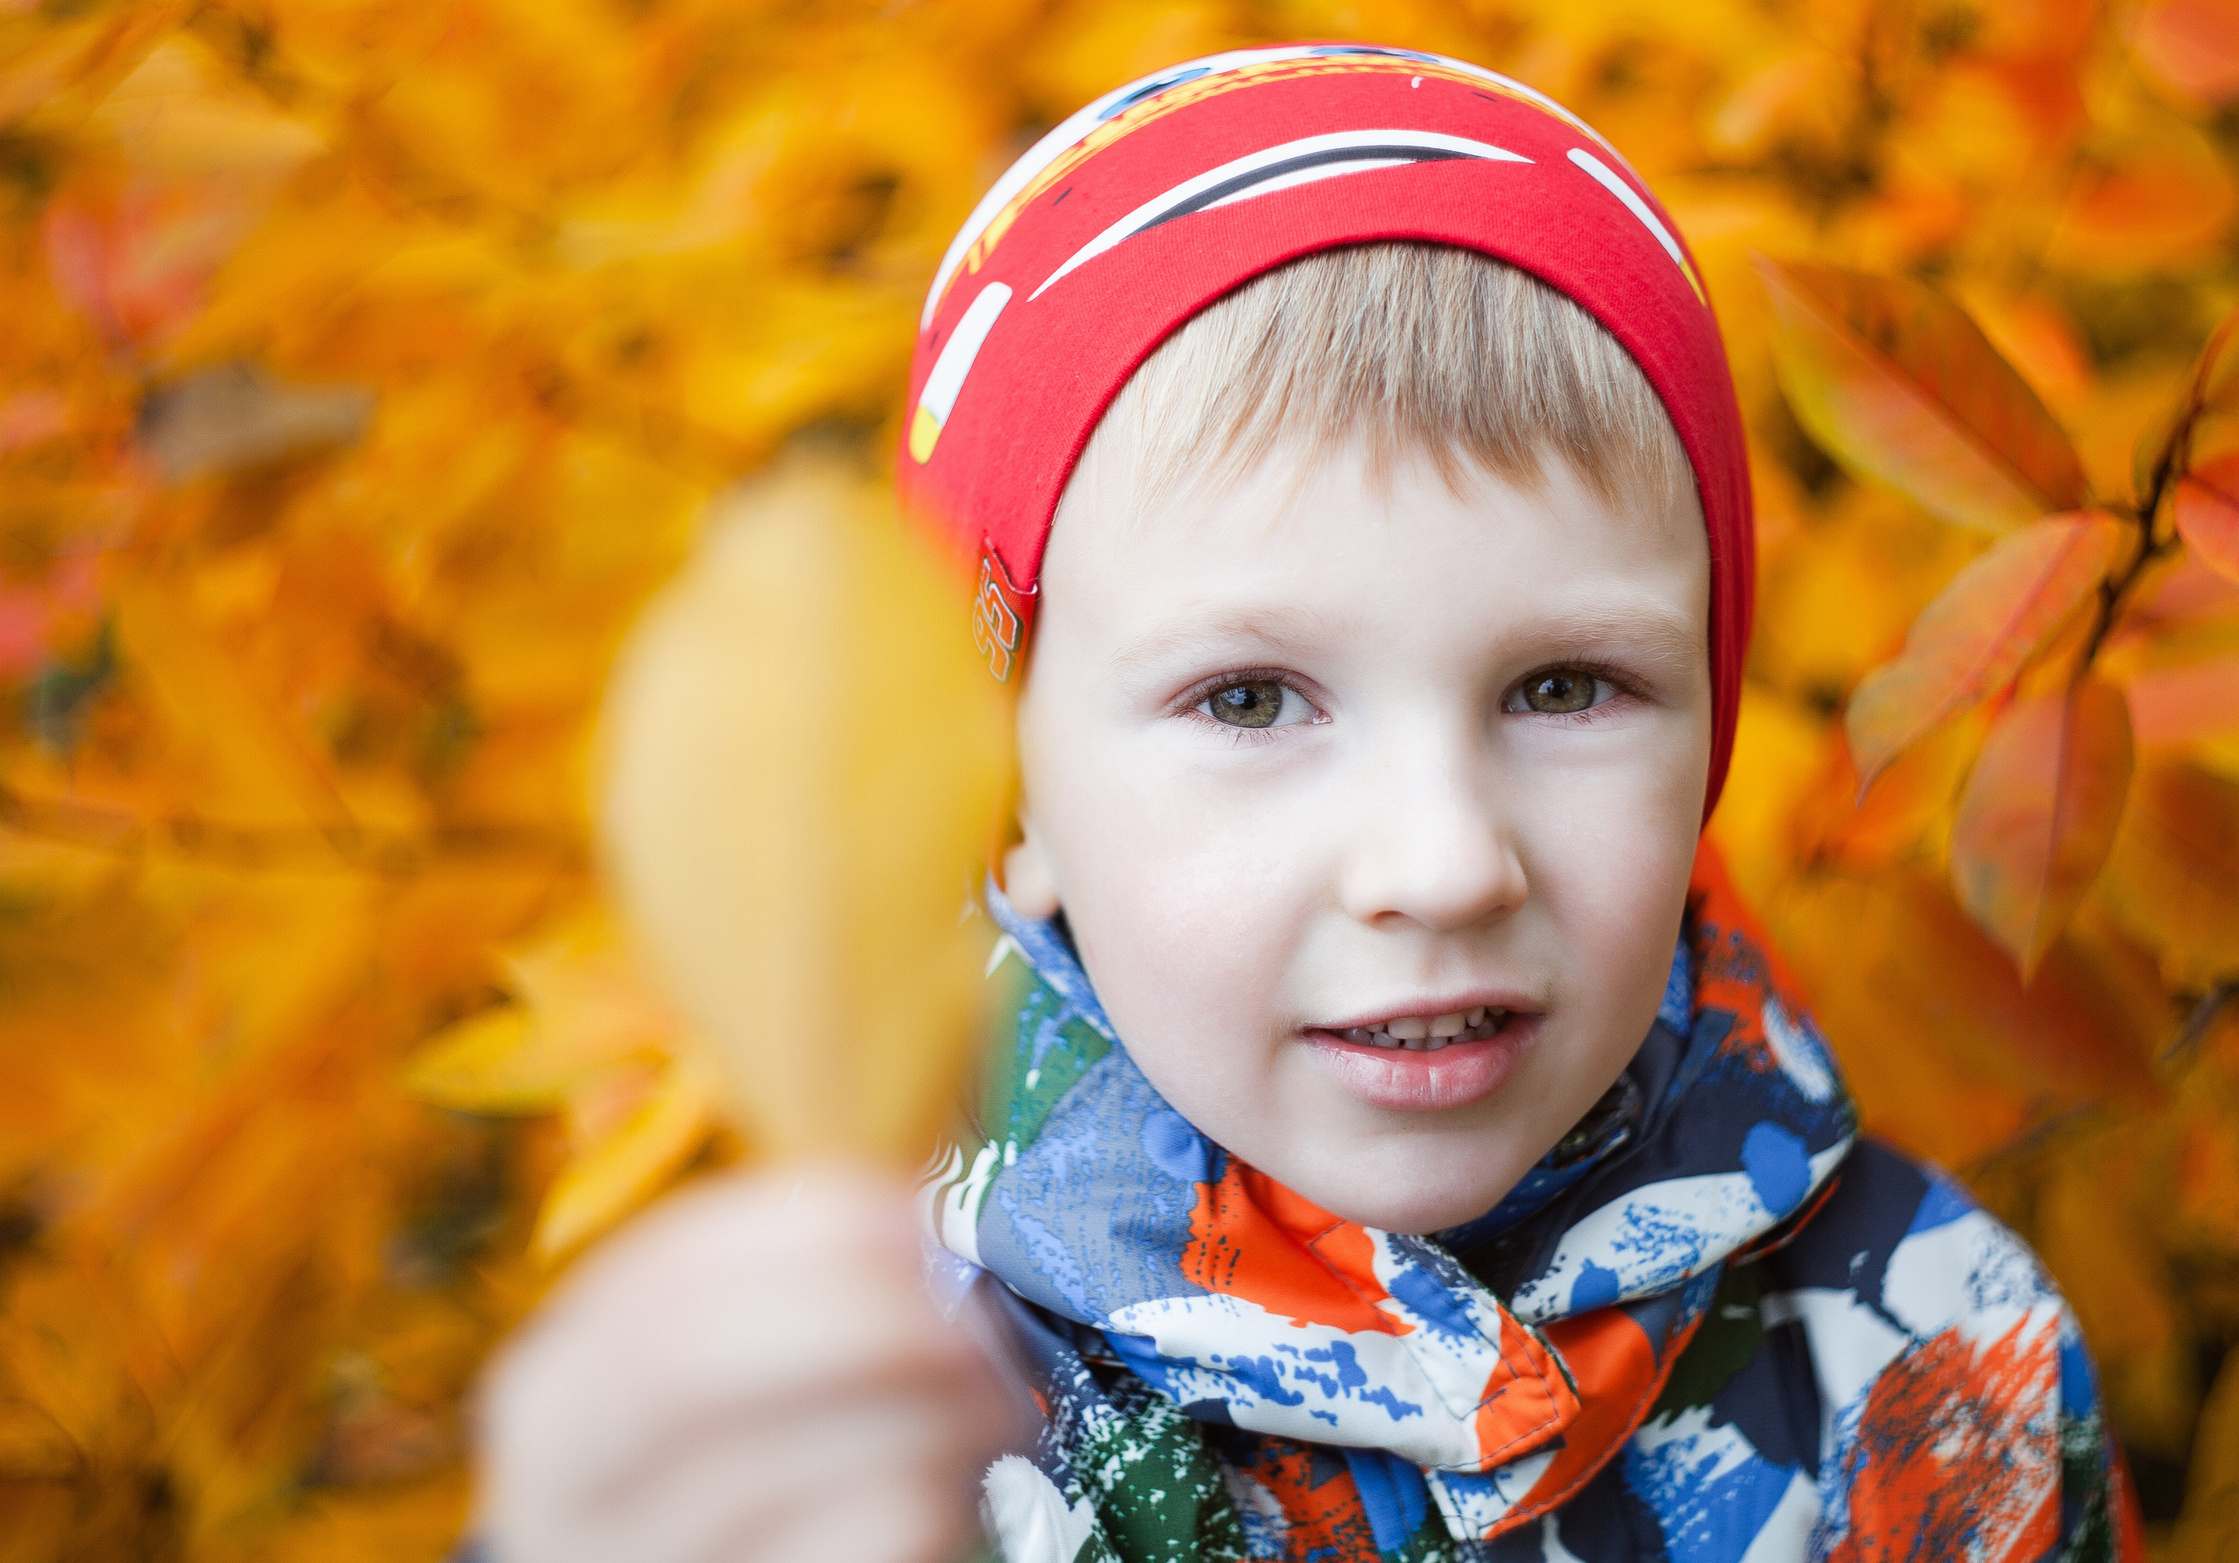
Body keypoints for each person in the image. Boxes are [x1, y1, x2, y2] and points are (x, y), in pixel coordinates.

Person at [476, 44, 2143, 1563]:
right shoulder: (869, 1441)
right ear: (1016, 801)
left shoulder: (1932, 1357)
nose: (1439, 863)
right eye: (1251, 699)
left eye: (1565, 686)